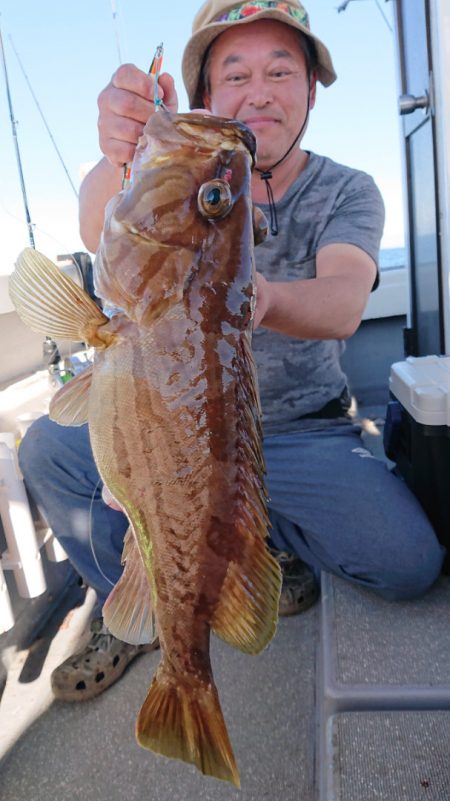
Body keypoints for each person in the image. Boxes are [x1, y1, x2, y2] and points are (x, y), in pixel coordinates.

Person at [19, 0, 445, 702]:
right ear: (206, 95)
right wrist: (117, 152)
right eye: (237, 74)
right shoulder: (163, 180)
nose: (260, 92)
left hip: (304, 431)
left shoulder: (347, 189)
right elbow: (102, 222)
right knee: (46, 449)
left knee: (408, 562)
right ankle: (136, 608)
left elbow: (344, 302)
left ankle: (262, 540)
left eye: (281, 71)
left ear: (311, 90)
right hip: (165, 432)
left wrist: (253, 298)